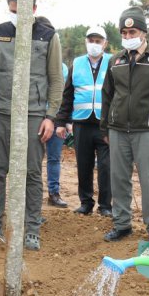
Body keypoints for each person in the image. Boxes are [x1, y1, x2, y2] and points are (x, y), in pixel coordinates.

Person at [0, 0, 63, 251]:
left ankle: (32, 228)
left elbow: (56, 80)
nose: (17, 15)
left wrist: (51, 116)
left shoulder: (48, 36)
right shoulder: (0, 32)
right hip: (1, 111)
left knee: (32, 172)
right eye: (13, 10)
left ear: (34, 9)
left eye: (22, 11)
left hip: (34, 113)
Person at [101, 7, 149, 243]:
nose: (127, 37)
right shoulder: (116, 60)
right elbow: (108, 94)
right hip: (117, 130)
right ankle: (122, 224)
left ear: (143, 32)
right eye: (124, 33)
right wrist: (105, 126)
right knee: (119, 178)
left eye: (132, 31)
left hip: (147, 130)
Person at [56, 26, 113, 217]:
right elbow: (68, 95)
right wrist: (62, 122)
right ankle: (86, 202)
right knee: (84, 164)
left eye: (98, 41)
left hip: (105, 125)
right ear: (86, 42)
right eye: (91, 40)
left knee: (106, 166)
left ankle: (105, 205)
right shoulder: (77, 63)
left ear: (105, 43)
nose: (94, 44)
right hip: (81, 124)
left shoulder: (113, 62)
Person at [46, 64, 68, 209]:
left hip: (55, 119)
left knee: (54, 158)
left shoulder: (64, 69)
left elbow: (66, 96)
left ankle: (54, 193)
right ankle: (28, 196)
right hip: (34, 116)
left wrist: (65, 120)